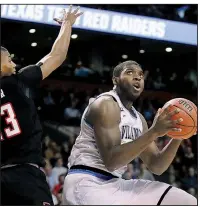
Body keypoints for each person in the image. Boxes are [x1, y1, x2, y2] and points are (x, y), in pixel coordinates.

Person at [62, 60, 197, 205]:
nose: (138, 77)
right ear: (115, 80)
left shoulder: (139, 119)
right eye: (129, 72)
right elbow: (112, 161)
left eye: (141, 75)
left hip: (114, 183)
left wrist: (180, 134)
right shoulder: (105, 104)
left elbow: (156, 165)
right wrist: (154, 131)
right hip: (86, 182)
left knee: (185, 201)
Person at [1, 5, 83, 206]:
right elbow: (57, 56)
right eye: (9, 58)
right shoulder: (19, 81)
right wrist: (67, 25)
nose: (13, 62)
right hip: (26, 176)